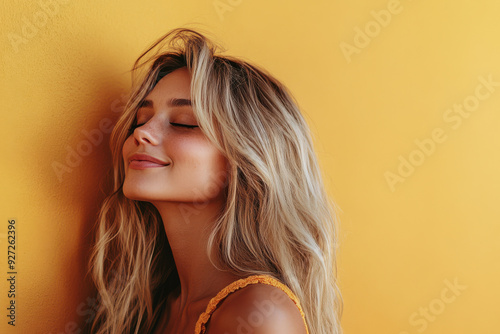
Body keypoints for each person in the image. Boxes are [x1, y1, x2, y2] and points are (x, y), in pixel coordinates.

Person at [88, 27, 343, 334]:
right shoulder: (146, 307)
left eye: (185, 124)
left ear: (247, 161)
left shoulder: (259, 314)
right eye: (141, 120)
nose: (141, 133)